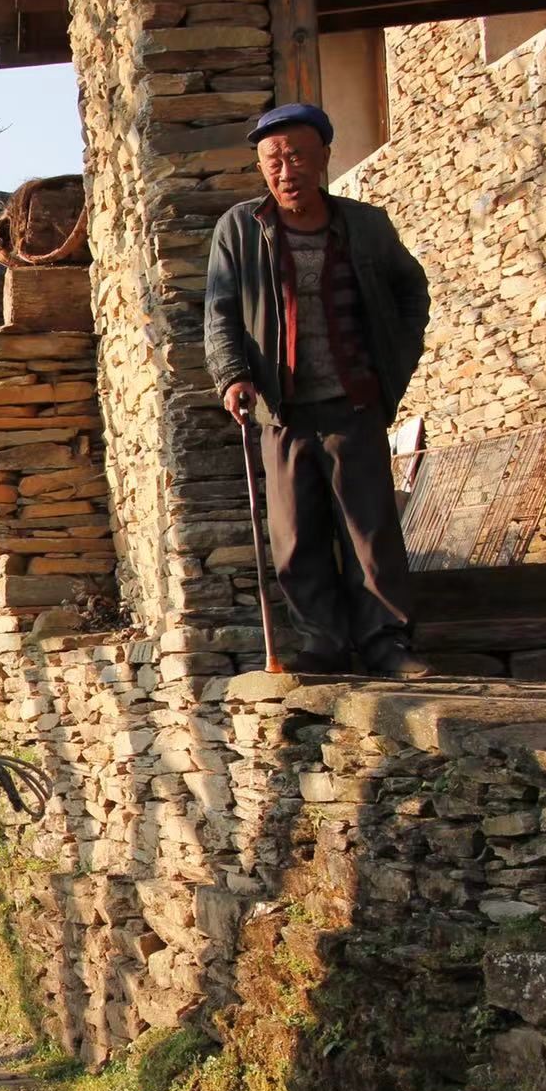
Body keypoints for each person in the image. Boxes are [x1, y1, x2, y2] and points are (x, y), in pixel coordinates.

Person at [204, 102, 433, 677]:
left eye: (298, 156)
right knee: (296, 535)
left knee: (370, 531)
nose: (286, 170)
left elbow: (412, 293)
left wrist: (391, 370)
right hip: (281, 409)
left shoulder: (366, 225)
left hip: (354, 400)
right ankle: (324, 643)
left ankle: (387, 643)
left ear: (324, 157)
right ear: (261, 168)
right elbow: (220, 311)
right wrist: (232, 375)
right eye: (273, 160)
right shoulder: (240, 228)